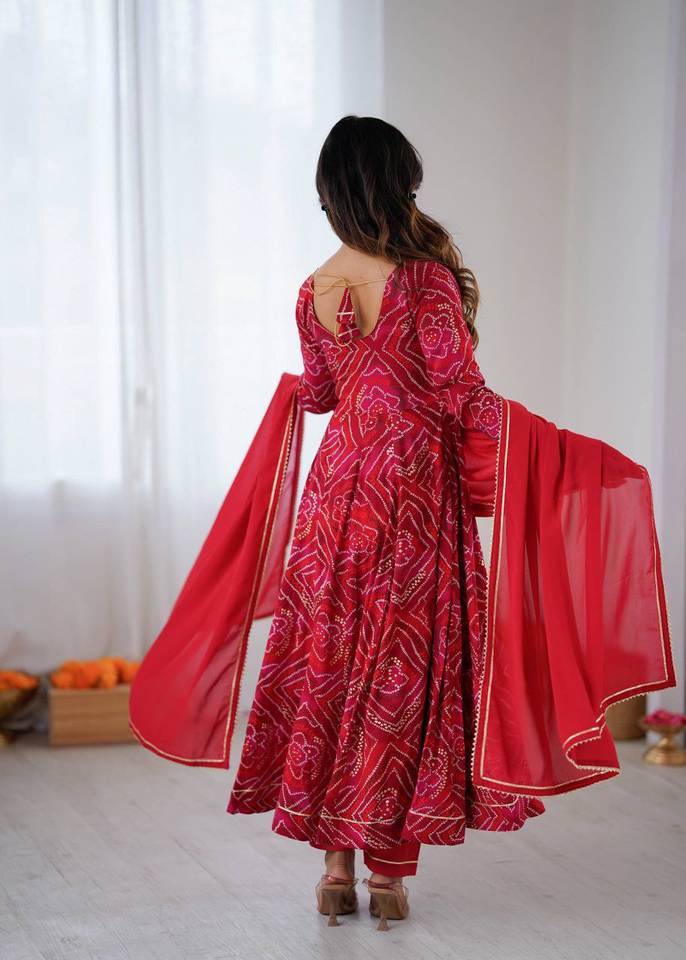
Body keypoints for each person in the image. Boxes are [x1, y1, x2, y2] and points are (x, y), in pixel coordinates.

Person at [129, 115, 675, 933]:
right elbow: (461, 392)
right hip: (413, 495)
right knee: (401, 673)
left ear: (331, 193)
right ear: (395, 185)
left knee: (333, 664)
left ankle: (333, 871)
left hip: (335, 493)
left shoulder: (314, 288)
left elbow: (321, 394)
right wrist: (563, 452)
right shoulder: (423, 280)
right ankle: (387, 875)